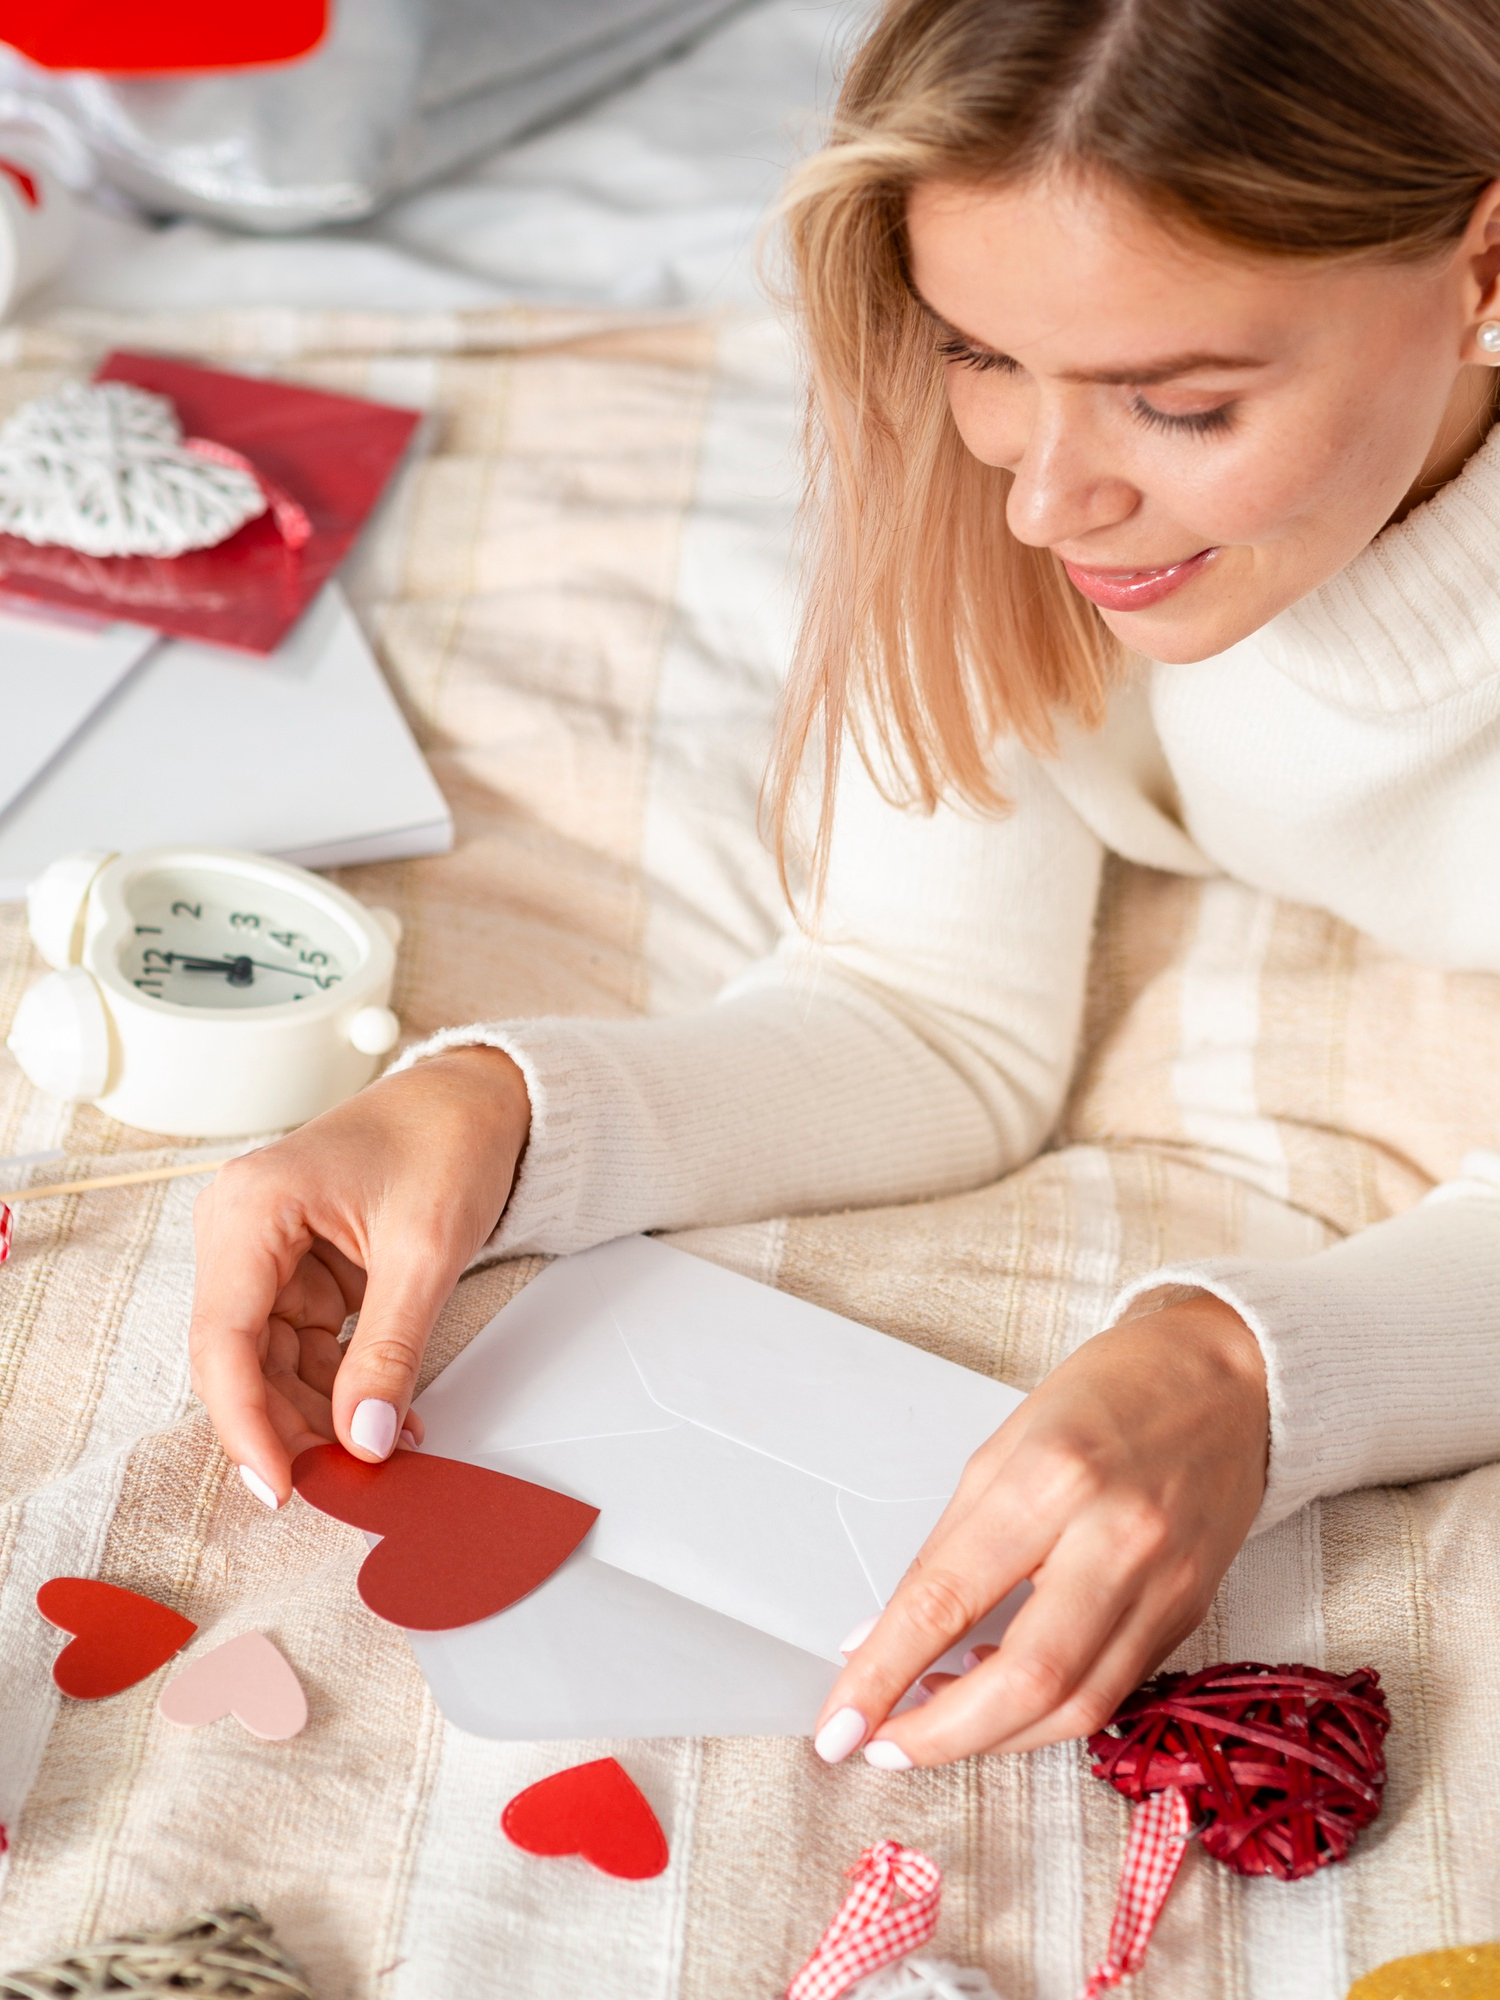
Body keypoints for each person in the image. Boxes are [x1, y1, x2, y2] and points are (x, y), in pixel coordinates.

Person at [189, 0, 1500, 1774]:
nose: (1048, 499)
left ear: (1486, 265)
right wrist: (490, 1115)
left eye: (1182, 403)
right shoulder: (991, 452)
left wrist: (1246, 1374)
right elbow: (928, 1013)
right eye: (980, 356)